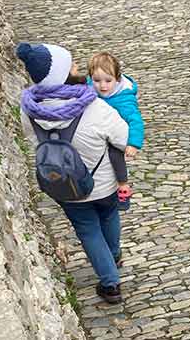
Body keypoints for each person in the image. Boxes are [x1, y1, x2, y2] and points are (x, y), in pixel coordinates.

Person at [17, 42, 129, 304]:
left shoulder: (29, 110)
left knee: (87, 230)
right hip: (103, 183)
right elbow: (122, 138)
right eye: (72, 65)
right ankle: (113, 259)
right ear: (63, 73)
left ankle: (110, 285)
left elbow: (34, 141)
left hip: (64, 185)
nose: (78, 67)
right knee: (108, 215)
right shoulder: (94, 106)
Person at [87, 52, 144, 211]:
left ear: (117, 79)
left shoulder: (123, 99)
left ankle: (123, 186)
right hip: (97, 129)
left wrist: (133, 144)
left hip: (115, 134)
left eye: (108, 81)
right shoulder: (88, 88)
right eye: (97, 81)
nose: (102, 86)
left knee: (114, 154)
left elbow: (135, 121)